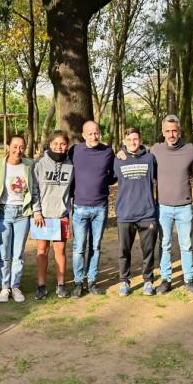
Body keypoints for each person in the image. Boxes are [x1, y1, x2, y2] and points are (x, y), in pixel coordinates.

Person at [149, 115, 193, 296]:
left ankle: (189, 280)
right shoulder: (155, 150)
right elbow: (138, 158)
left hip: (184, 207)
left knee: (186, 245)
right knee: (164, 244)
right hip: (163, 207)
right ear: (163, 132)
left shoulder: (190, 150)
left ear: (179, 132)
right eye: (168, 131)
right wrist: (122, 152)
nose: (171, 134)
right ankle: (166, 280)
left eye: (174, 131)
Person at [69, 121, 116, 297]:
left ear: (100, 133)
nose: (93, 136)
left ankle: (92, 281)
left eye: (96, 133)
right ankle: (78, 282)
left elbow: (113, 175)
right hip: (80, 206)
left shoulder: (107, 151)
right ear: (83, 135)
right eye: (89, 134)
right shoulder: (75, 151)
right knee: (79, 247)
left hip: (100, 207)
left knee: (95, 246)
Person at [0, 136, 35, 303]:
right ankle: (4, 287)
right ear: (8, 147)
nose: (18, 150)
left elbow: (34, 189)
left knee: (18, 254)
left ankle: (15, 286)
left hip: (22, 214)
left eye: (21, 147)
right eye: (14, 147)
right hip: (2, 213)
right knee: (3, 253)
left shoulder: (29, 165)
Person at [114, 128, 158, 296]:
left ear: (140, 140)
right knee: (124, 251)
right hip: (125, 213)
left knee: (148, 251)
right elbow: (111, 178)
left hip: (147, 213)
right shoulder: (118, 160)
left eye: (135, 139)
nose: (132, 142)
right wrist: (120, 153)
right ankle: (124, 281)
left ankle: (148, 281)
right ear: (124, 141)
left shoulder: (149, 159)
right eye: (129, 139)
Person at [31, 131, 74, 300]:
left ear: (67, 146)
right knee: (42, 250)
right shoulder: (40, 163)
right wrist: (37, 212)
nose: (59, 147)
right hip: (43, 216)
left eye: (63, 144)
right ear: (50, 144)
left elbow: (72, 191)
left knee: (60, 250)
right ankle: (41, 285)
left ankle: (61, 284)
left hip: (61, 215)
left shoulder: (71, 164)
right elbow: (34, 190)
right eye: (55, 144)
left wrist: (68, 213)